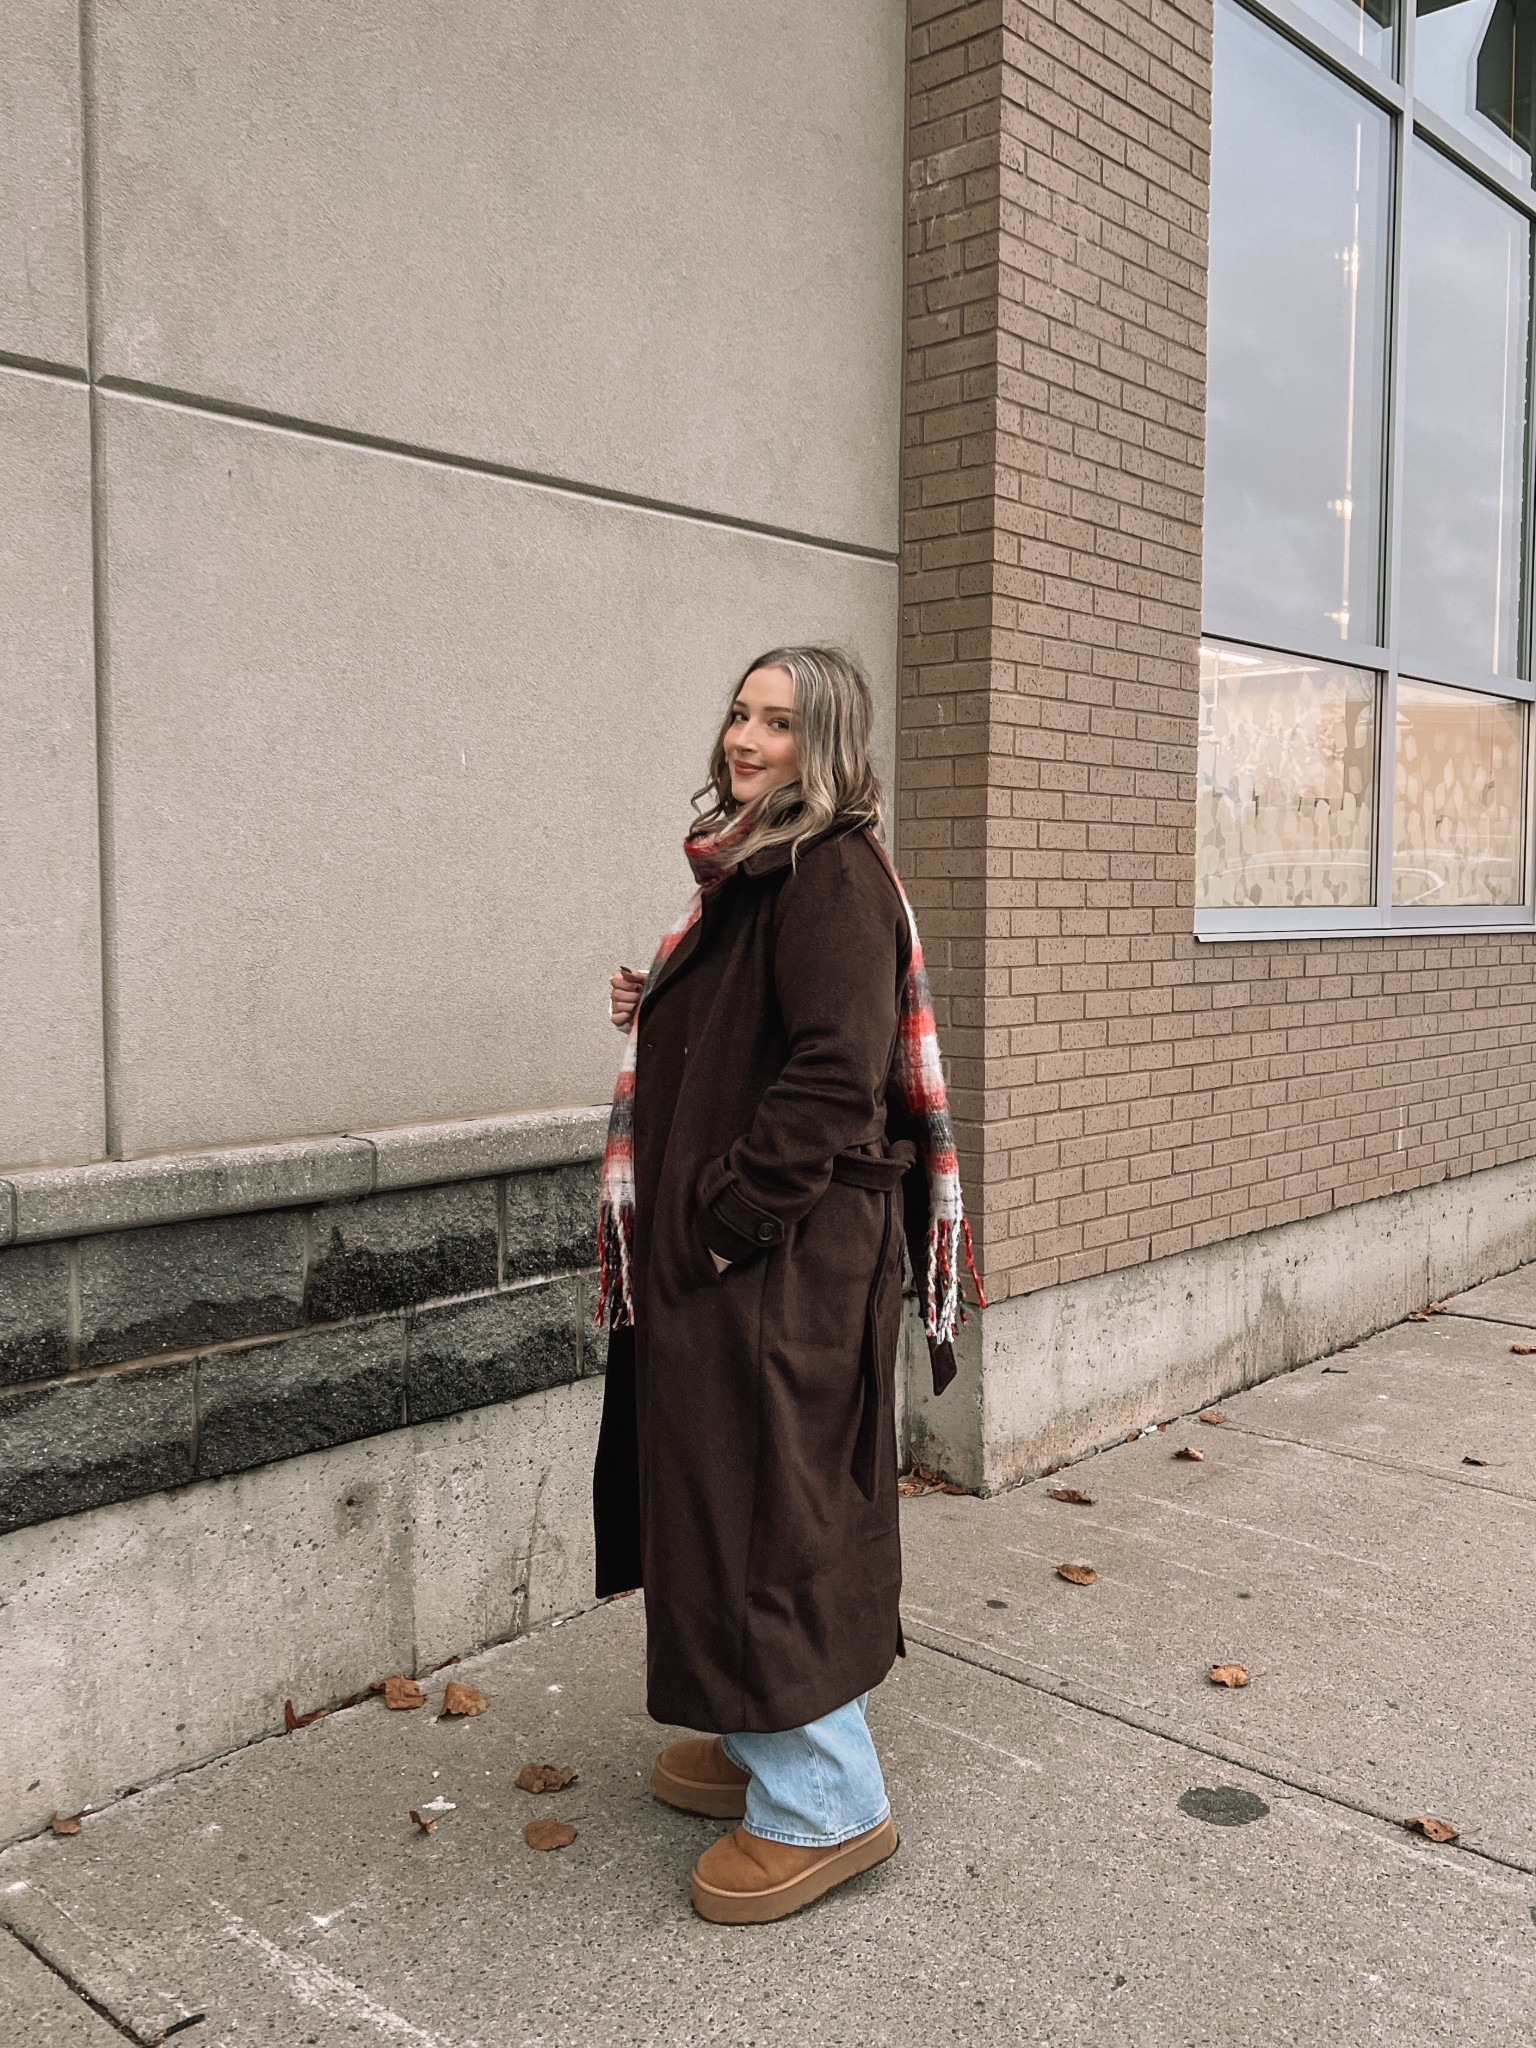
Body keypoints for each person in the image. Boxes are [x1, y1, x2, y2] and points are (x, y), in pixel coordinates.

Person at [591, 645, 981, 1925]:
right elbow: (762, 1025)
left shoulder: (828, 873)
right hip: (750, 1266)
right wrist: (662, 1002)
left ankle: (827, 1801)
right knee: (726, 1501)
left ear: (827, 745)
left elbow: (830, 1071)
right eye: (739, 712)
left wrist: (717, 1227)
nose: (744, 737)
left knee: (775, 1513)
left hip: (776, 1266)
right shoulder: (759, 873)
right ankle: (763, 1732)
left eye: (777, 721)